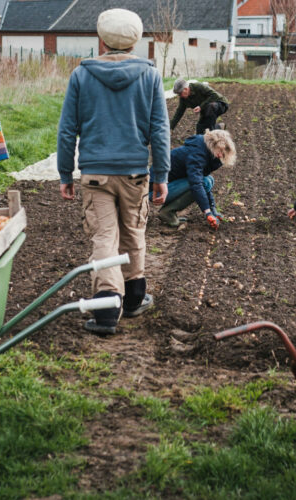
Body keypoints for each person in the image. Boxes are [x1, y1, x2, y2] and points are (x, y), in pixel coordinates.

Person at [57, 8, 170, 335]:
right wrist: (161, 174)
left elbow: (67, 131)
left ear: (101, 39)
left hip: (95, 174)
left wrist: (65, 174)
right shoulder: (150, 75)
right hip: (135, 173)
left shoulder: (81, 75)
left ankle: (107, 309)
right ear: (135, 41)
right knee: (134, 230)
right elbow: (160, 130)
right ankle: (134, 298)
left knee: (105, 236)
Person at [158, 129, 237, 229]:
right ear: (213, 144)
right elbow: (197, 184)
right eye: (220, 151)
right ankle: (167, 212)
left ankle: (168, 211)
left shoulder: (205, 152)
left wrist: (212, 210)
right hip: (157, 190)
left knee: (208, 180)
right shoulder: (197, 155)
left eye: (223, 153)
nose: (221, 155)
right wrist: (207, 213)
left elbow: (203, 183)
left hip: (169, 186)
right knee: (203, 182)